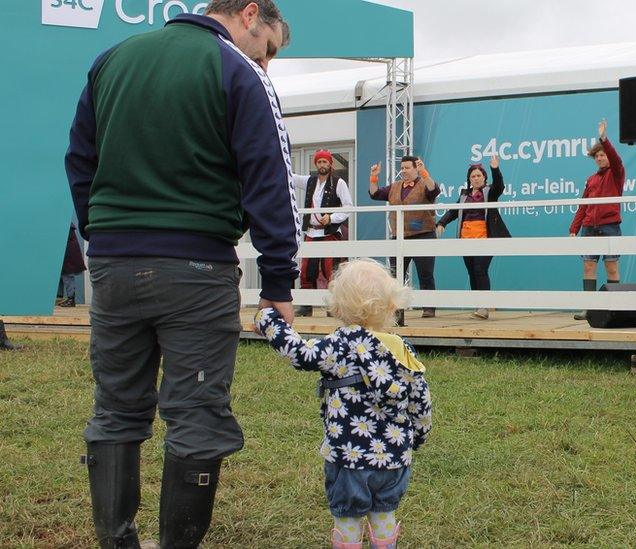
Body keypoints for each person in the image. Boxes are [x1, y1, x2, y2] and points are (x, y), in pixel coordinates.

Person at [64, 1, 298, 547]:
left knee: (116, 408)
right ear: (249, 15)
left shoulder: (112, 59)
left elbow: (80, 159)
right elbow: (270, 179)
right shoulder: (237, 71)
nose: (266, 63)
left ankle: (117, 541)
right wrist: (280, 282)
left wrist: (104, 235)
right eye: (268, 48)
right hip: (197, 267)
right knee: (196, 413)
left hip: (115, 265)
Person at [254, 258, 432, 549]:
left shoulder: (340, 344)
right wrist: (418, 437)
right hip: (394, 457)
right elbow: (420, 401)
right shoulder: (402, 349)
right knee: (384, 510)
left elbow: (300, 354)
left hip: (348, 456)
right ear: (392, 305)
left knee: (348, 514)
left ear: (338, 307)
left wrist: (268, 320)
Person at [435, 155, 511, 319]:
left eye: (479, 175)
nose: (476, 178)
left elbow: (500, 185)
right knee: (471, 272)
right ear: (469, 179)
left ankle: (484, 307)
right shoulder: (464, 196)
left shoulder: (490, 191)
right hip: (466, 239)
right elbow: (453, 211)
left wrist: (495, 168)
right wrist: (441, 223)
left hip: (485, 238)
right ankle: (478, 305)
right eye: (473, 176)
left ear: (484, 177)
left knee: (480, 269)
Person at [369, 156, 440, 318]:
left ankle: (429, 308)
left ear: (416, 169)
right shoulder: (395, 186)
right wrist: (374, 176)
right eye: (402, 168)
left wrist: (424, 173)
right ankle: (395, 309)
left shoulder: (424, 184)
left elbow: (434, 190)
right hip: (399, 237)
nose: (404, 171)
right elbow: (374, 194)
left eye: (407, 167)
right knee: (395, 274)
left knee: (425, 273)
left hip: (423, 235)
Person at [569, 119, 625, 321]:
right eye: (597, 156)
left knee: (611, 267)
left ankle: (614, 308)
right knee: (588, 266)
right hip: (589, 228)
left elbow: (616, 159)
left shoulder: (617, 172)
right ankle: (589, 308)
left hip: (609, 226)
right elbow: (584, 205)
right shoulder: (591, 179)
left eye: (603, 155)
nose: (600, 158)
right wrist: (574, 228)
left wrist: (604, 139)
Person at [296, 149, 354, 317]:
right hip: (311, 233)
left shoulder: (339, 183)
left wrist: (332, 217)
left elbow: (348, 207)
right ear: (316, 164)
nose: (322, 165)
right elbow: (289, 176)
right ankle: (306, 307)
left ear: (330, 164)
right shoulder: (309, 181)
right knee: (307, 269)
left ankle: (334, 307)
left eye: (325, 162)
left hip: (329, 232)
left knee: (332, 270)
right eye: (319, 162)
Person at [57, 223, 87, 307]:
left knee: (67, 276)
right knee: (63, 276)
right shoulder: (67, 226)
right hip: (67, 256)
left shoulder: (65, 227)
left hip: (67, 256)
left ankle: (70, 299)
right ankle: (61, 298)